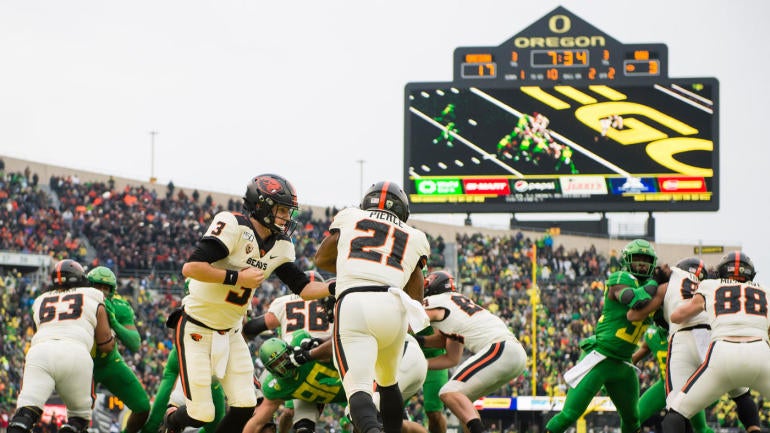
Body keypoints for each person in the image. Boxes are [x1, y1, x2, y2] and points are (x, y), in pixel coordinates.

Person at [163, 174, 331, 433]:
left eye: (289, 211)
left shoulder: (281, 245)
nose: (287, 217)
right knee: (201, 413)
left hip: (231, 333)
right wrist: (237, 277)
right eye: (282, 210)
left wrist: (334, 286)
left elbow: (304, 287)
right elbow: (192, 267)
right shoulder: (233, 226)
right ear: (262, 205)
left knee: (245, 405)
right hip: (197, 327)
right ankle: (171, 422)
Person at [314, 181, 431, 433]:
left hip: (355, 302)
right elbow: (415, 290)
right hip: (395, 305)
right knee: (389, 383)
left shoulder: (350, 216)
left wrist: (353, 268)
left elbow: (321, 258)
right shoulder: (416, 236)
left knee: (358, 388)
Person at [545, 239, 665, 433]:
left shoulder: (654, 291)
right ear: (627, 260)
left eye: (646, 259)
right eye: (638, 259)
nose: (642, 264)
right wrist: (656, 282)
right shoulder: (621, 278)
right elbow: (634, 300)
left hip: (624, 364)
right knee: (569, 414)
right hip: (601, 357)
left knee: (633, 420)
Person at [662, 251, 769, 433]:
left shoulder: (710, 285)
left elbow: (677, 316)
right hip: (761, 353)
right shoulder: (764, 290)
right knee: (743, 397)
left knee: (676, 413)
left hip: (722, 353)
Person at [8, 259, 115, 433]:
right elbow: (105, 345)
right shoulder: (93, 295)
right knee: (78, 420)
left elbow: (40, 330)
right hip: (76, 353)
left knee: (24, 415)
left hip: (40, 353)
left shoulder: (39, 300)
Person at [420, 271, 527, 433]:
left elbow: (409, 323)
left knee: (449, 392)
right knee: (463, 400)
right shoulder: (456, 306)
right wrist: (420, 362)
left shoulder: (435, 301)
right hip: (513, 352)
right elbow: (451, 358)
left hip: (499, 348)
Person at [242, 270, 332, 433]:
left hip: (289, 364)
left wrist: (243, 322)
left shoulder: (284, 302)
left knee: (264, 412)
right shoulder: (331, 301)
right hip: (324, 364)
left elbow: (252, 329)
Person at [86, 266, 151, 433]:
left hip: (109, 362)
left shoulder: (119, 306)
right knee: (80, 415)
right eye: (97, 286)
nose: (101, 291)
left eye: (105, 288)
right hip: (83, 364)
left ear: (112, 290)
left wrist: (113, 322)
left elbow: (134, 343)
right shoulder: (79, 303)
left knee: (142, 406)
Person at [631, 324, 713, 433]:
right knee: (633, 419)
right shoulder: (652, 333)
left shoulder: (686, 330)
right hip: (664, 385)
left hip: (687, 386)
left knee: (701, 428)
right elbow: (643, 350)